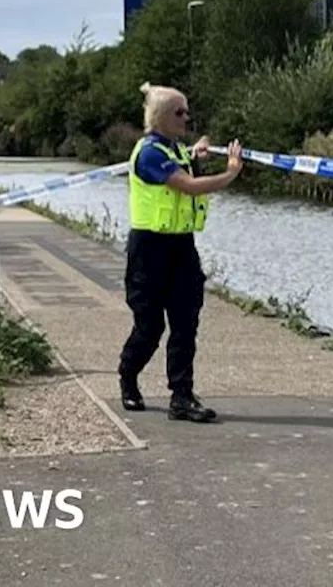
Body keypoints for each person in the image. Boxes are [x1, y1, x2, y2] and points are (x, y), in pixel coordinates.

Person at [118, 82, 243, 423]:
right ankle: (128, 377)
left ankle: (182, 396)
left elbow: (184, 161)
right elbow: (185, 186)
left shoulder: (173, 150)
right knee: (150, 327)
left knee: (186, 321)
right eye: (179, 112)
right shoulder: (149, 153)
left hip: (181, 247)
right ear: (160, 117)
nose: (187, 118)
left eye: (187, 111)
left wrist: (197, 154)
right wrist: (229, 173)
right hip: (149, 248)